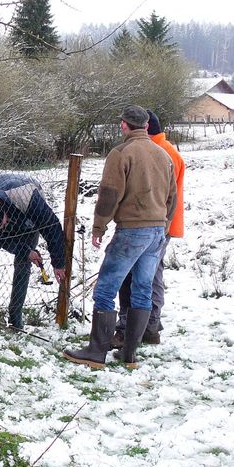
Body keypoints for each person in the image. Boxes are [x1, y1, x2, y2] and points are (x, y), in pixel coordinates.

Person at [65, 105, 177, 370]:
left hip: (132, 230)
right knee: (142, 289)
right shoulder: (164, 155)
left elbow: (109, 194)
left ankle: (96, 352)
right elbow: (172, 197)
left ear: (124, 125)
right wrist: (164, 224)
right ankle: (129, 355)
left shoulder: (121, 153)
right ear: (147, 126)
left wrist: (98, 228)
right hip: (157, 232)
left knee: (105, 289)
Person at [113, 109, 185, 348]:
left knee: (140, 277)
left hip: (152, 224)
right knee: (151, 276)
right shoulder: (170, 150)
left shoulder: (158, 153)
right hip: (164, 224)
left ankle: (135, 328)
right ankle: (149, 327)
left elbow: (159, 193)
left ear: (145, 129)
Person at [0, 173, 68, 331]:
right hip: (0, 210)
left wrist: (58, 263)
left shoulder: (28, 198)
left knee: (23, 265)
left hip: (27, 217)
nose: (5, 226)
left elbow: (52, 228)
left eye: (3, 223)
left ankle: (16, 318)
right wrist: (25, 251)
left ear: (4, 213)